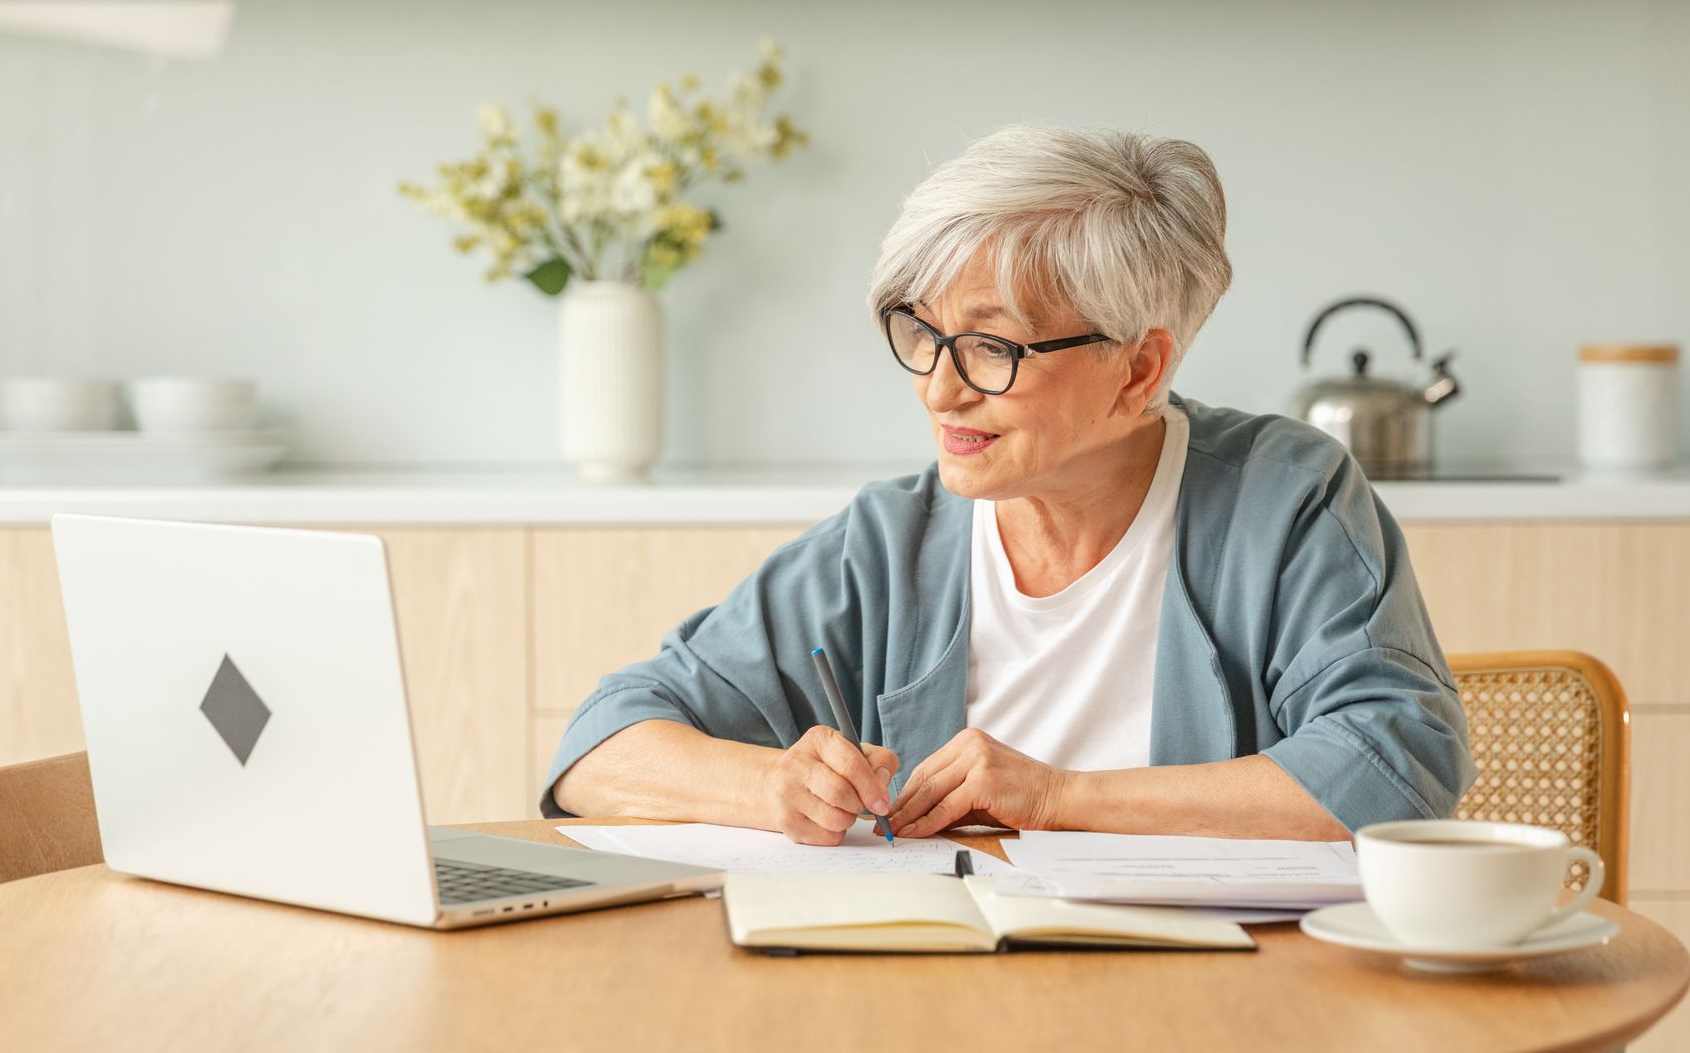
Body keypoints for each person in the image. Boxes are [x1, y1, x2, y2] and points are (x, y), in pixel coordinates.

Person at [543, 124, 1475, 845]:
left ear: (1139, 372)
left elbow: (1393, 766)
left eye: (992, 346)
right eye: (921, 331)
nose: (939, 386)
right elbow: (600, 746)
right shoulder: (888, 545)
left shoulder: (1283, 498)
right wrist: (769, 786)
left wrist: (1059, 798)